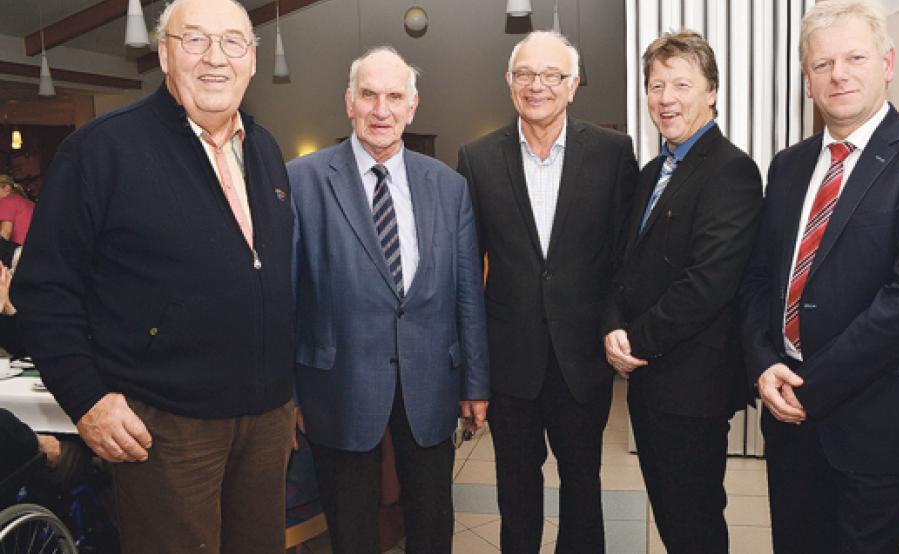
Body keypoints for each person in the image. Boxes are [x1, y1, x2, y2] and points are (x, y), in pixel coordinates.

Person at [10, 0, 296, 551]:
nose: (216, 58)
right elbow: (43, 291)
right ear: (164, 54)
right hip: (165, 429)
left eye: (233, 42)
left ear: (253, 59)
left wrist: (287, 396)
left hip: (265, 421)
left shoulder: (264, 148)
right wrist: (87, 400)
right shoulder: (101, 149)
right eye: (194, 40)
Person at [739, 1, 899, 552]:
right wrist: (765, 363)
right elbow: (759, 279)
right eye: (822, 65)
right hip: (788, 419)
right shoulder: (789, 165)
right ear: (807, 81)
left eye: (854, 57)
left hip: (879, 426)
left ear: (888, 63)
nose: (838, 74)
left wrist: (809, 386)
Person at [289, 46, 490, 554]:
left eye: (394, 96)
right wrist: (289, 395)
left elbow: (468, 293)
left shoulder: (449, 187)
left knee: (431, 524)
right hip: (337, 387)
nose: (382, 110)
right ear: (348, 102)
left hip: (430, 385)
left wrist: (476, 383)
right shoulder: (301, 182)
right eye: (369, 95)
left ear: (413, 106)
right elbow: (287, 296)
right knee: (351, 531)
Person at [457, 31, 638, 553]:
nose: (538, 86)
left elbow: (621, 259)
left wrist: (612, 324)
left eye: (552, 75)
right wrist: (473, 369)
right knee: (515, 487)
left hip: (582, 355)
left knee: (583, 483)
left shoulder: (611, 152)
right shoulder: (477, 158)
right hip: (511, 359)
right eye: (525, 74)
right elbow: (468, 272)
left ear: (574, 85)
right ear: (509, 83)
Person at [602, 31, 762, 554]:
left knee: (694, 523)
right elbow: (625, 267)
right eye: (655, 85)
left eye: (681, 84)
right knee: (671, 516)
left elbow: (708, 283)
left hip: (693, 388)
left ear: (712, 91)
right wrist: (612, 327)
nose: (666, 98)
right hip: (651, 384)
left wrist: (634, 343)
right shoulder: (653, 171)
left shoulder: (732, 170)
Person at [0, 175, 34, 247]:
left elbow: (6, 232)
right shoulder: (30, 203)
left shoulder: (6, 201)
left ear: (7, 188)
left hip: (22, 251)